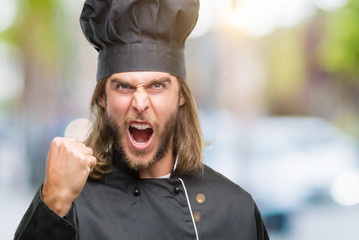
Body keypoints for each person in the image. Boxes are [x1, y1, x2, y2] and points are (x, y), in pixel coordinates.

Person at [15, 0, 270, 239]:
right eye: (123, 87)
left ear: (181, 96)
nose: (139, 103)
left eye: (157, 85)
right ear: (102, 98)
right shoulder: (69, 206)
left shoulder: (234, 209)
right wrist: (53, 200)